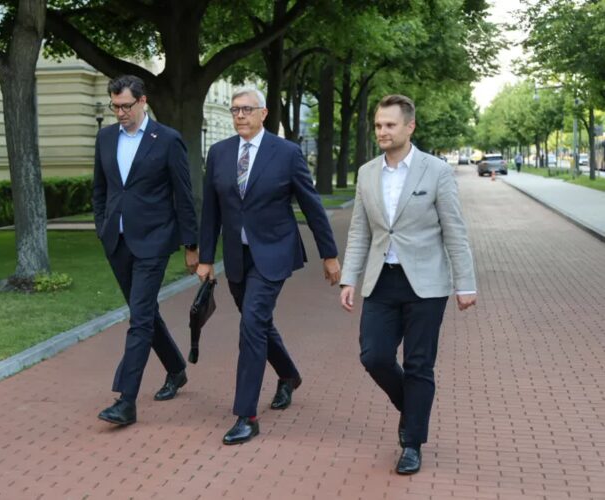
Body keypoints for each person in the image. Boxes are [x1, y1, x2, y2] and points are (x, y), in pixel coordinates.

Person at [339, 94, 477, 474]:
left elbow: (454, 229)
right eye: (378, 125)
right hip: (381, 280)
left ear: (409, 127)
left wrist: (465, 283)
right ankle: (414, 409)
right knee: (374, 356)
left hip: (426, 285)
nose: (382, 131)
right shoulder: (367, 173)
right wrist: (349, 277)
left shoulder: (436, 171)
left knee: (418, 364)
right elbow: (360, 231)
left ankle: (411, 443)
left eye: (390, 125)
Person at [197, 88, 341, 445]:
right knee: (258, 323)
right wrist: (205, 258)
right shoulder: (219, 153)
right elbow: (211, 210)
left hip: (274, 252)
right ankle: (289, 374)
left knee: (251, 325)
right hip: (237, 256)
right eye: (235, 110)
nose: (239, 115)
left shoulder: (287, 153)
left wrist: (329, 254)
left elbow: (311, 205)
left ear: (263, 113)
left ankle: (246, 416)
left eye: (247, 109)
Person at [93, 75, 198, 426]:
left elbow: (183, 195)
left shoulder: (166, 139)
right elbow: (100, 189)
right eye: (115, 106)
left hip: (154, 242)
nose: (120, 113)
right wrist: (101, 226)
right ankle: (176, 368)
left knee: (138, 319)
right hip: (117, 241)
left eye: (126, 106)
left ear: (142, 101)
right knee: (146, 313)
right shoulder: (106, 137)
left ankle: (126, 400)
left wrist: (191, 245)